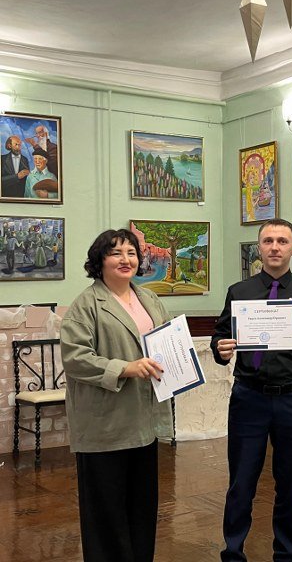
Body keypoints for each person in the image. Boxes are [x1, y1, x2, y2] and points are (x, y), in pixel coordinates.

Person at [210, 218, 292, 562]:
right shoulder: (239, 292)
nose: (274, 247)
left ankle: (286, 553)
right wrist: (221, 350)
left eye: (282, 241)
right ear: (259, 247)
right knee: (241, 483)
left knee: (291, 483)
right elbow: (219, 338)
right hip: (248, 397)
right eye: (268, 241)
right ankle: (233, 552)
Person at [60, 229, 173, 562]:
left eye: (132, 253)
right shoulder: (86, 305)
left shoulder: (149, 299)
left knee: (142, 508)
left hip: (144, 421)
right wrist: (124, 368)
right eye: (116, 253)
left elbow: (166, 342)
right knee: (106, 514)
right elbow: (75, 358)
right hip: (105, 425)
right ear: (100, 261)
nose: (126, 260)